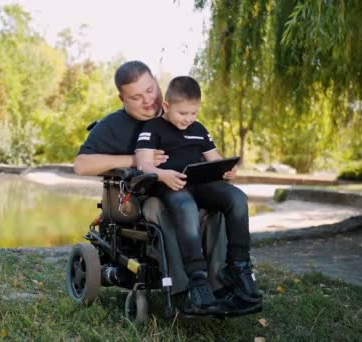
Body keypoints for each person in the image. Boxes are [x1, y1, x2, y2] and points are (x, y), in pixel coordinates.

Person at [74, 61, 258, 316]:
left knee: (216, 207)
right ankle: (183, 291)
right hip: (143, 197)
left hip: (188, 187)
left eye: (150, 90)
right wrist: (133, 160)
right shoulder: (112, 126)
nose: (148, 101)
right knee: (164, 208)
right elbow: (81, 165)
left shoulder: (179, 113)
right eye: (137, 97)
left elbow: (205, 152)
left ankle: (220, 286)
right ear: (122, 98)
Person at [134, 76, 262, 314]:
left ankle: (239, 265)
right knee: (185, 205)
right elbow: (143, 164)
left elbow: (216, 160)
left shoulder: (199, 129)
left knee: (237, 198)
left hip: (201, 184)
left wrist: (228, 171)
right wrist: (161, 175)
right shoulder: (151, 128)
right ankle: (197, 277)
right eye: (183, 113)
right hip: (171, 186)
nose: (188, 119)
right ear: (167, 106)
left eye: (193, 113)